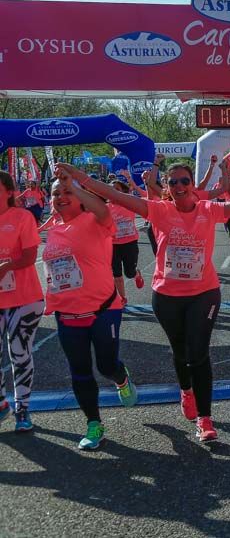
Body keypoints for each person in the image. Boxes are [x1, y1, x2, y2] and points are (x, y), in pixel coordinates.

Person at [58, 161, 230, 443]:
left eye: (184, 181)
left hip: (204, 292)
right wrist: (77, 176)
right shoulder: (158, 210)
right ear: (166, 188)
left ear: (192, 184)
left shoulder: (208, 209)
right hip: (167, 294)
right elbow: (113, 194)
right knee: (180, 352)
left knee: (198, 354)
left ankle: (205, 418)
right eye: (174, 182)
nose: (180, 186)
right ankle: (186, 390)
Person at [44, 166, 138, 450]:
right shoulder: (54, 230)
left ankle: (121, 378)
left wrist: (74, 183)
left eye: (66, 192)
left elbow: (102, 208)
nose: (61, 196)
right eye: (55, 194)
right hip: (68, 314)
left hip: (103, 309)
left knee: (106, 366)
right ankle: (94, 424)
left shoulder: (94, 220)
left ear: (81, 197)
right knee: (80, 371)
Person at [0, 170, 45, 432]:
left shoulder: (21, 217)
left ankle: (22, 408)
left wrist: (6, 265)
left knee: (20, 353)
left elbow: (29, 256)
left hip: (24, 298)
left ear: (8, 191)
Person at [109, 173, 145, 306]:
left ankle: (136, 274)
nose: (113, 192)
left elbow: (134, 190)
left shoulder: (129, 203)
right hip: (113, 245)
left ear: (123, 191)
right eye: (110, 190)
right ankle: (122, 298)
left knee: (129, 273)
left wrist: (129, 178)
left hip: (130, 243)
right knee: (116, 274)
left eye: (116, 189)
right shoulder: (105, 207)